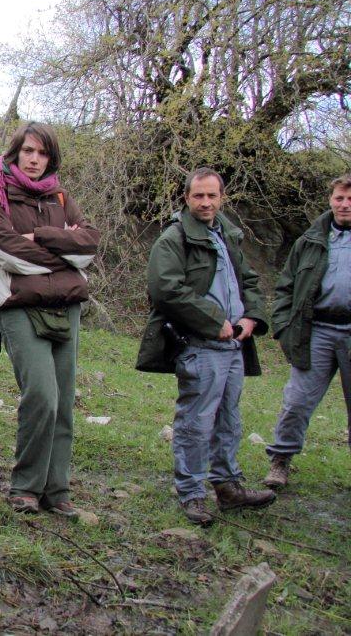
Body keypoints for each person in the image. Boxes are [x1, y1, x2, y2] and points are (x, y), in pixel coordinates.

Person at [0, 122, 99, 517]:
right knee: (42, 396)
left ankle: (56, 489)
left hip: (68, 307)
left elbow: (90, 244)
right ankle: (26, 485)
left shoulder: (61, 196)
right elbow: (2, 249)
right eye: (28, 151)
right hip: (19, 306)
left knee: (63, 401)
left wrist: (41, 237)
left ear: (51, 158)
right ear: (15, 153)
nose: (34, 159)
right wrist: (63, 248)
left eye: (42, 153)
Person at [139, 167, 275, 525]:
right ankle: (192, 494)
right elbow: (165, 290)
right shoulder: (174, 238)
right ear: (186, 197)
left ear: (221, 197)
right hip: (199, 345)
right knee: (195, 423)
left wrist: (252, 318)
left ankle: (228, 487)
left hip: (234, 348)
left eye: (212, 195)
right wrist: (215, 322)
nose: (205, 202)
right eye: (198, 196)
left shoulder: (227, 234)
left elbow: (247, 280)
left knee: (229, 420)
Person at [264, 175, 351, 488]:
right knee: (297, 402)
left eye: (350, 200)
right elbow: (285, 286)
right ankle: (280, 461)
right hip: (317, 331)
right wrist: (284, 328)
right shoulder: (312, 240)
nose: (344, 205)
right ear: (330, 199)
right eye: (340, 198)